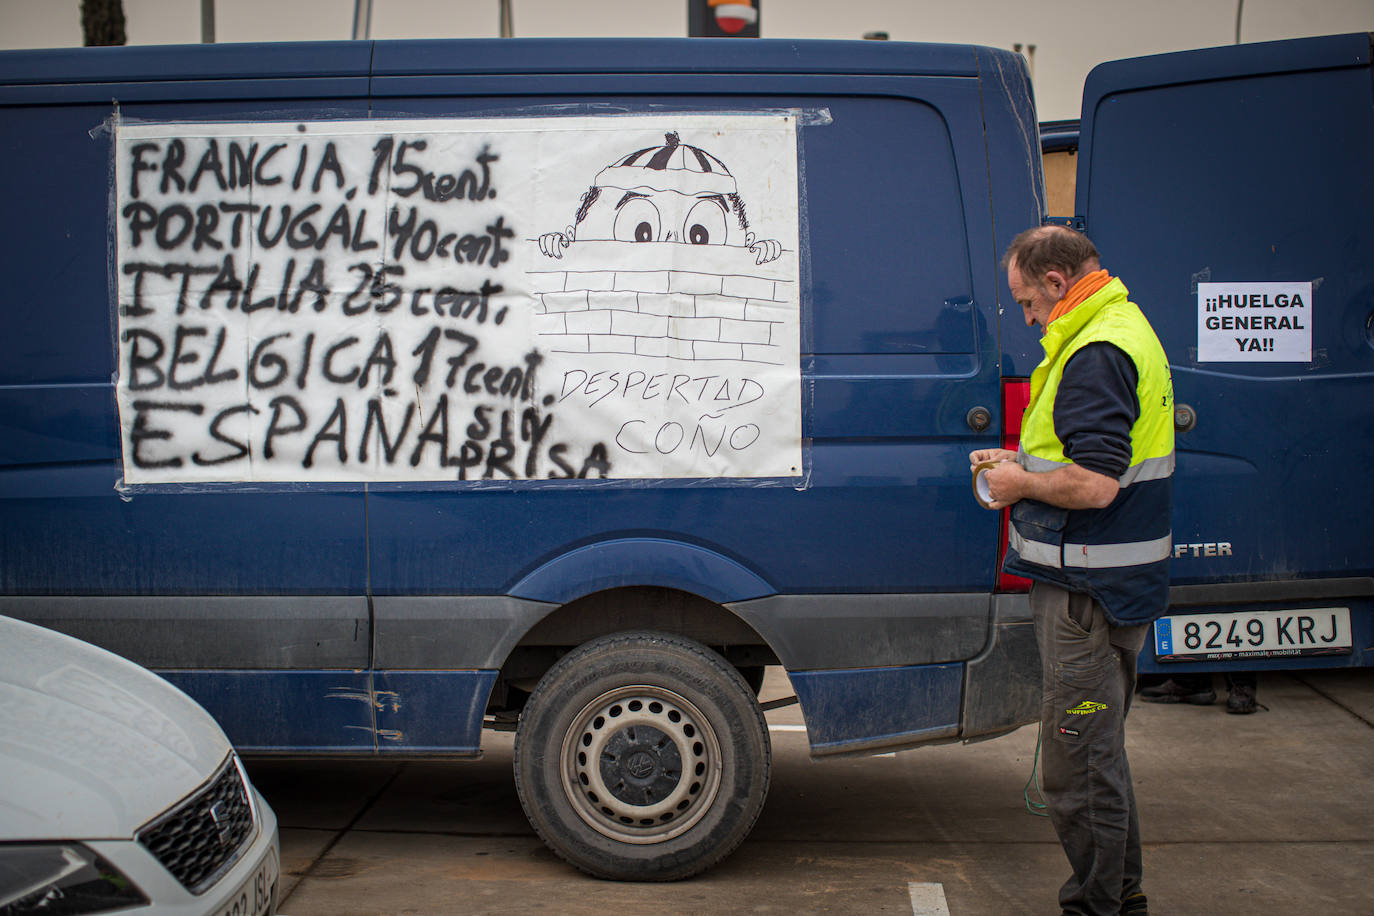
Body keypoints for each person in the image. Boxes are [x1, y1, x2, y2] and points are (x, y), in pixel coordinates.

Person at [971, 225, 1174, 916]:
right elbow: (1090, 453)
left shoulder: (1094, 351)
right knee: (1098, 756)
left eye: (1028, 302)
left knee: (1078, 767)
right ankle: (1122, 896)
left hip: (1087, 591)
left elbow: (1095, 484)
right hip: (1111, 584)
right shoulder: (1122, 326)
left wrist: (1018, 485)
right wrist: (1020, 464)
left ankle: (1097, 907)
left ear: (1057, 283)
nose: (1027, 318)